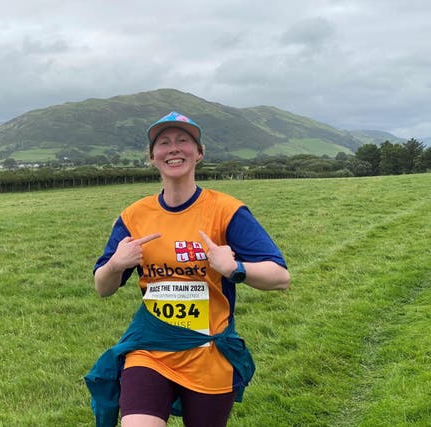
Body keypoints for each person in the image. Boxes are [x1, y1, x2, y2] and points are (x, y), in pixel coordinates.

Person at [85, 111, 290, 427]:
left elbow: (280, 277)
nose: (174, 148)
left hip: (208, 353)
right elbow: (103, 287)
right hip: (149, 349)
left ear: (199, 153)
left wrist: (234, 268)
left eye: (184, 141)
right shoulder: (134, 216)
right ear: (152, 157)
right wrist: (116, 263)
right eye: (164, 143)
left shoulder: (227, 210)